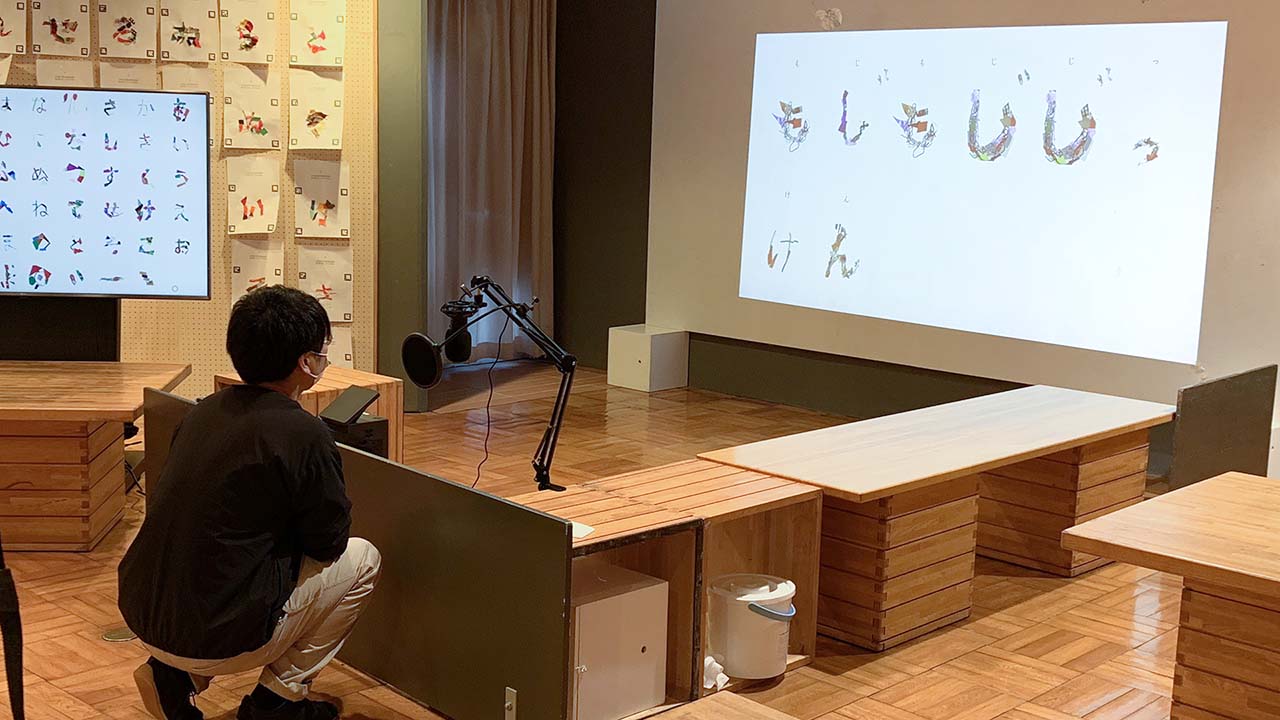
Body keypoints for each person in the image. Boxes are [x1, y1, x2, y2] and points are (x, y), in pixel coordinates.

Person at [118, 286, 381, 720]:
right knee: (363, 558)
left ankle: (172, 676)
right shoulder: (305, 434)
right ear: (306, 362)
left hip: (143, 612)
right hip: (222, 636)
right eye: (321, 351)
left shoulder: (201, 413)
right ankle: (278, 700)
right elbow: (329, 542)